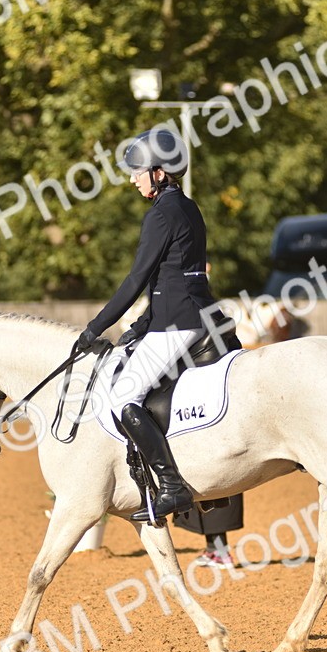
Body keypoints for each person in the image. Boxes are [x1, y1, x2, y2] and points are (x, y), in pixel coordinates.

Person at [74, 128, 229, 523]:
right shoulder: (190, 207)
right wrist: (143, 323)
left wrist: (96, 327)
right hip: (200, 315)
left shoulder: (160, 214)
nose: (132, 178)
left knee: (123, 397)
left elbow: (136, 280)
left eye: (138, 171)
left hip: (177, 324)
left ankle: (173, 486)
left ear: (160, 173)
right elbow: (174, 275)